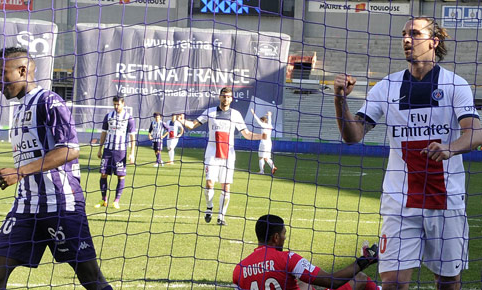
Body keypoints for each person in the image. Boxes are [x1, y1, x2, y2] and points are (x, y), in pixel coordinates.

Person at [333, 17, 482, 290]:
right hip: (400, 201)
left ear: (433, 42)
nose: (406, 39)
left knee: (448, 283)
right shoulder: (386, 87)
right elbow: (352, 136)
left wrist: (450, 148)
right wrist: (340, 99)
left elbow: (475, 132)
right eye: (404, 34)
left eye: (414, 33)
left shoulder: (455, 85)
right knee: (393, 283)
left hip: (446, 200)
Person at [0, 47, 112, 290]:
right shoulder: (19, 109)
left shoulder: (49, 101)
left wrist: (19, 172)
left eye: (2, 73)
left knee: (90, 277)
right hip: (25, 206)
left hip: (60, 204)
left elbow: (70, 149)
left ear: (22, 70)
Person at [178, 87, 262, 226]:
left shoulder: (235, 114)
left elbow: (246, 134)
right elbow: (192, 125)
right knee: (209, 183)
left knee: (226, 186)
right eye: (224, 96)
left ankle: (221, 216)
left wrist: (261, 136)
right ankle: (209, 207)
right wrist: (183, 121)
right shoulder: (210, 112)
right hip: (211, 155)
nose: (226, 99)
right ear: (220, 97)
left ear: (231, 99)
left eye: (228, 96)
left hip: (228, 156)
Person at [233, 214, 379, 290]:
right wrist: (365, 260)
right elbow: (331, 281)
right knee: (360, 278)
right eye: (284, 234)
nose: (285, 237)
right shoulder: (287, 258)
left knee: (304, 284)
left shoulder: (239, 269)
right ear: (276, 237)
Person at [95, 95, 136, 210]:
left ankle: (116, 201)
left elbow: (132, 136)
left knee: (120, 176)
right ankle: (104, 200)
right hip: (108, 150)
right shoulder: (108, 116)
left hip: (121, 151)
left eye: (118, 104)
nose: (116, 107)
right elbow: (104, 133)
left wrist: (132, 153)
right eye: (114, 104)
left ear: (123, 104)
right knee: (103, 174)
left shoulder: (129, 118)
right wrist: (100, 148)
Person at [250, 109, 277, 175]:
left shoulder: (263, 125)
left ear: (262, 120)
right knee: (266, 157)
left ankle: (261, 171)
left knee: (261, 157)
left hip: (264, 143)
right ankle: (273, 167)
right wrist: (270, 115)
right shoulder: (269, 125)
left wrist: (253, 114)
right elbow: (270, 121)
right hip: (269, 143)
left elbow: (258, 121)